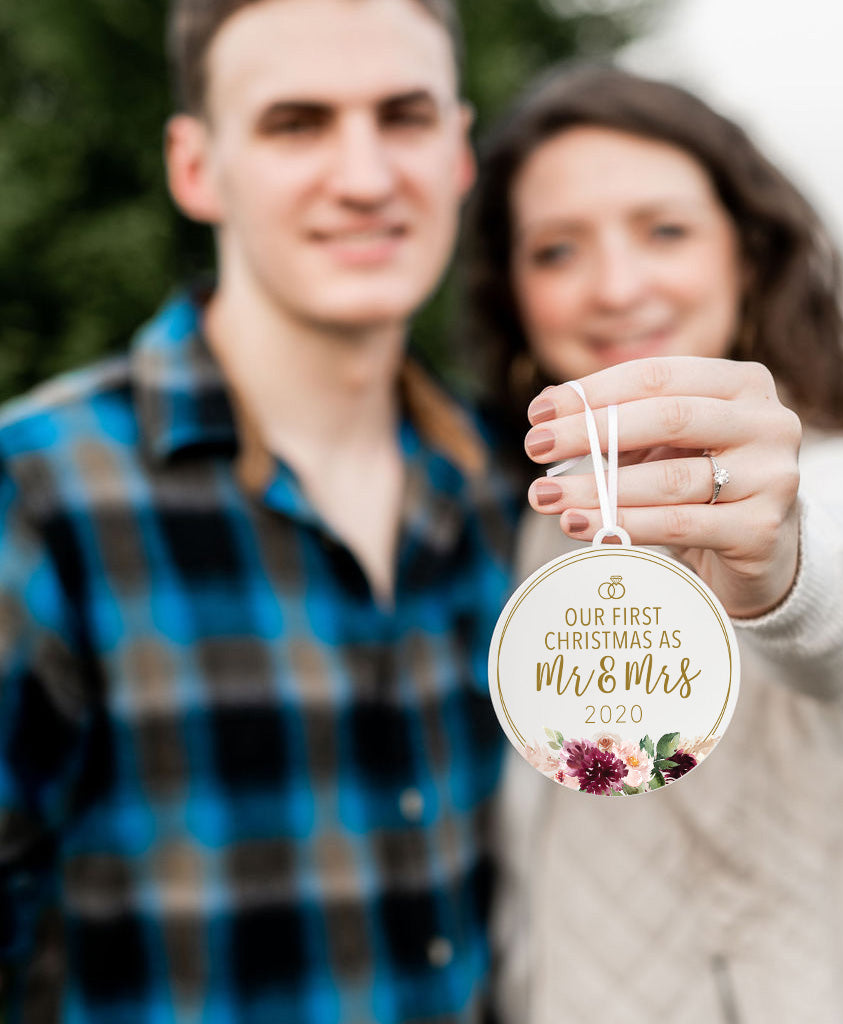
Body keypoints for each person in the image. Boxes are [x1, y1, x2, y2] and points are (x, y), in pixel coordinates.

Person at [0, 1, 515, 1021]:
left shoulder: (506, 483)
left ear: (458, 152)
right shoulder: (40, 496)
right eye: (297, 124)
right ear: (196, 168)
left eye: (403, 117)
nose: (365, 178)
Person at [463, 64, 843, 1023]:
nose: (616, 285)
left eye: (665, 230)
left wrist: (778, 560)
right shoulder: (541, 511)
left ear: (749, 255)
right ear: (514, 293)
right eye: (557, 250)